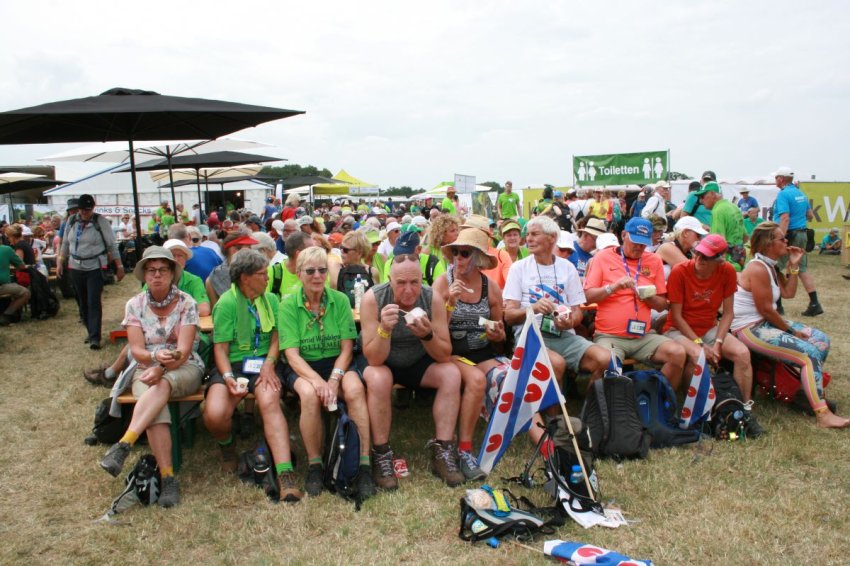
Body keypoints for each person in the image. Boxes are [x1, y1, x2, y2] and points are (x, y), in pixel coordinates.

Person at [98, 246, 205, 507]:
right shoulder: (134, 305)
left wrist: (162, 368)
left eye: (163, 270)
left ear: (172, 274)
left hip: (185, 366)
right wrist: (155, 359)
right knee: (155, 407)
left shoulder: (187, 303)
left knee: (163, 383)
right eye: (151, 270)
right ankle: (168, 478)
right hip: (146, 367)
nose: (157, 275)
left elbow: (184, 350)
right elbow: (136, 350)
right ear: (144, 274)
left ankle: (125, 443)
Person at [357, 231, 463, 489]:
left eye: (414, 282)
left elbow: (444, 353)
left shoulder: (431, 297)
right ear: (389, 280)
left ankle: (443, 451)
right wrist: (384, 329)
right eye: (401, 283)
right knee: (379, 378)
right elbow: (373, 358)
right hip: (383, 362)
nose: (408, 290)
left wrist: (427, 335)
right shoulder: (373, 298)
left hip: (418, 361)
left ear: (422, 280)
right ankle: (381, 453)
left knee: (451, 373)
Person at [202, 249, 303, 501]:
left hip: (264, 364)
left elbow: (277, 337)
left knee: (270, 401)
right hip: (234, 366)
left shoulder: (271, 300)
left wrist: (269, 363)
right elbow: (220, 349)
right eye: (262, 274)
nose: (268, 278)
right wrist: (228, 377)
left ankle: (285, 473)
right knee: (215, 414)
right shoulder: (226, 304)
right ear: (245, 278)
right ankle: (227, 447)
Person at [280, 247, 376, 498]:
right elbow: (292, 355)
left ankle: (363, 465)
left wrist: (333, 379)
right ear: (299, 274)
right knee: (309, 395)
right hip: (304, 365)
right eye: (310, 271)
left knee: (355, 390)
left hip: (337, 362)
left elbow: (347, 348)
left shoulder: (340, 300)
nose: (317, 276)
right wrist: (318, 382)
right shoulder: (288, 305)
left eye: (322, 270)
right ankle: (315, 465)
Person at [732, 222, 846, 428]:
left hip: (764, 322)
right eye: (782, 238)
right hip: (750, 327)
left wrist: (793, 265)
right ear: (768, 243)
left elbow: (789, 293)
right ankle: (823, 415)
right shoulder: (757, 268)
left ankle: (803, 391)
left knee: (821, 340)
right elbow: (766, 309)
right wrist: (792, 332)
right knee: (809, 354)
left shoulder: (770, 265)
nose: (787, 241)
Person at [663, 234, 763, 434]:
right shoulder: (680, 271)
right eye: (698, 253)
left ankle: (744, 410)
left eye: (706, 257)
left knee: (743, 354)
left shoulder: (727, 271)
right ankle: (697, 415)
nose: (699, 259)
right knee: (698, 356)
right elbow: (676, 317)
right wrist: (700, 343)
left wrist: (717, 342)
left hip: (709, 328)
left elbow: (728, 313)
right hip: (677, 330)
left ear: (720, 259)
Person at [432, 227, 507, 481]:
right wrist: (450, 303)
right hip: (451, 352)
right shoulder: (443, 282)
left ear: (477, 258)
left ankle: (539, 438)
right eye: (455, 253)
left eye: (464, 253)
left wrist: (497, 334)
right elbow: (435, 331)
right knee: (476, 380)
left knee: (510, 376)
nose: (458, 258)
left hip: (482, 351)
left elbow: (500, 334)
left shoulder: (490, 287)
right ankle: (464, 450)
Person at [504, 216, 611, 387]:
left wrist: (570, 322)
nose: (528, 239)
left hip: (563, 334)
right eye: (528, 234)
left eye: (534, 234)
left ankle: (591, 403)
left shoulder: (567, 268)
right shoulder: (518, 268)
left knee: (605, 359)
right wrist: (532, 308)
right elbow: (509, 316)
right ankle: (556, 406)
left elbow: (577, 311)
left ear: (552, 237)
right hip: (530, 335)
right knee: (556, 364)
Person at [583, 218, 686, 389]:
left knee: (678, 353)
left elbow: (661, 305)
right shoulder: (602, 257)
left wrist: (648, 297)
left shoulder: (654, 260)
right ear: (624, 235)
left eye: (644, 244)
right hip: (610, 336)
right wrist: (613, 287)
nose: (639, 247)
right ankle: (594, 403)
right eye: (636, 242)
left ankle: (660, 400)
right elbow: (587, 297)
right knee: (608, 363)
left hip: (643, 336)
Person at [57, 194, 125, 349]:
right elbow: (65, 243)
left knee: (93, 300)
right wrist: (60, 261)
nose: (85, 213)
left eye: (88, 210)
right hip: (75, 266)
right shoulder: (71, 221)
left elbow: (112, 245)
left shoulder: (100, 221)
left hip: (95, 266)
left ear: (93, 208)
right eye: (82, 210)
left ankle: (95, 337)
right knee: (82, 301)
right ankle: (90, 330)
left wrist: (119, 266)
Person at [772, 166, 822, 317]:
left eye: (776, 177)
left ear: (781, 179)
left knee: (775, 267)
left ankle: (778, 306)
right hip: (802, 233)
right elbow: (810, 215)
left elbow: (785, 218)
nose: (775, 180)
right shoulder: (800, 193)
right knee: (802, 269)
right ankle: (815, 303)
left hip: (790, 234)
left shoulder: (783, 194)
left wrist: (781, 237)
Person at [694, 182, 746, 270]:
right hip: (739, 262)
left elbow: (715, 244)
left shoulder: (718, 211)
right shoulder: (734, 207)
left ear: (712, 194)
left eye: (702, 196)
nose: (701, 201)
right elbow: (745, 236)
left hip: (727, 265)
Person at [329, 230, 379, 306]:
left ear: (359, 252)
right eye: (341, 248)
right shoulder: (336, 268)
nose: (341, 252)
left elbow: (377, 301)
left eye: (345, 250)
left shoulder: (372, 272)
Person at [0, 238, 30, 325]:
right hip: (2, 286)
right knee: (25, 293)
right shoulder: (6, 249)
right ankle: (6, 315)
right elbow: (21, 266)